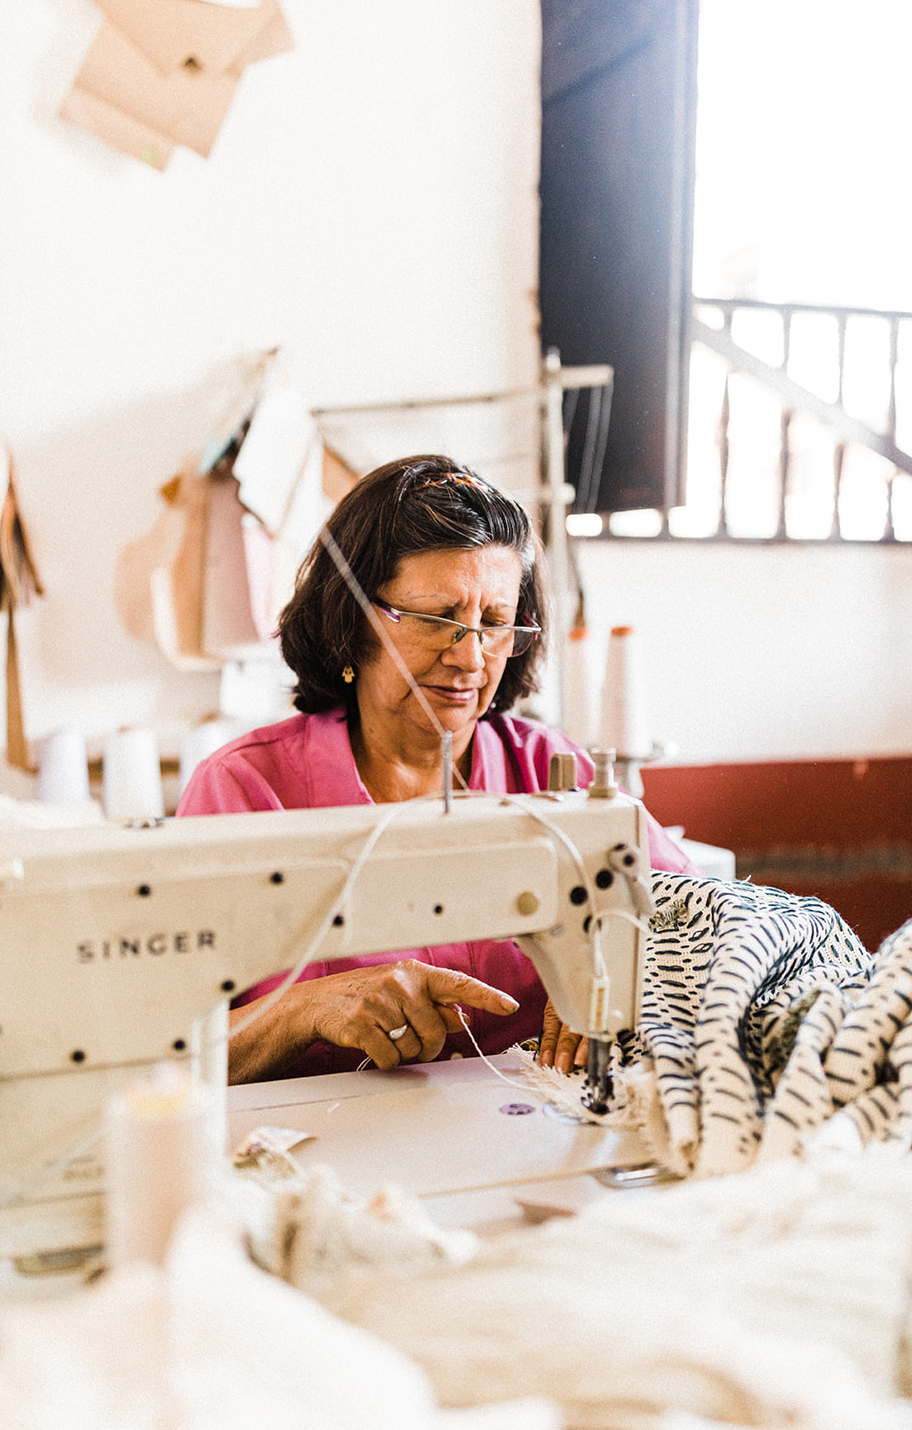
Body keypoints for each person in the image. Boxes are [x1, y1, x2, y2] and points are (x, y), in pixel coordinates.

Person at [178, 453, 695, 1083]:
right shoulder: (245, 790)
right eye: (437, 620)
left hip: (527, 1127)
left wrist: (618, 975)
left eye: (496, 624)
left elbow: (702, 920)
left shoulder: (546, 766)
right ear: (353, 620)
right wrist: (301, 1010)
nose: (471, 657)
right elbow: (159, 1054)